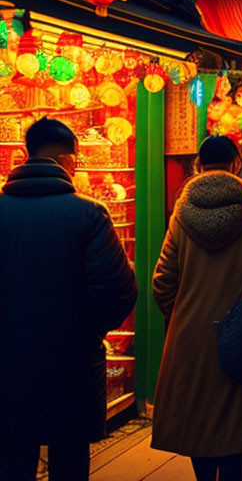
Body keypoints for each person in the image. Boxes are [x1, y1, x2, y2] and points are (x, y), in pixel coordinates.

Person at [0, 117, 137, 481]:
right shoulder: (89, 213)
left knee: (12, 456)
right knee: (70, 458)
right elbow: (118, 291)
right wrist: (89, 330)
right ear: (68, 161)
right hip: (71, 360)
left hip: (7, 361)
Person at [151, 136, 242, 481]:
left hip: (191, 337)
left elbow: (162, 282)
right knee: (238, 422)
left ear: (199, 166)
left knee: (197, 418)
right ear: (234, 165)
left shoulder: (179, 221)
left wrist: (182, 314)